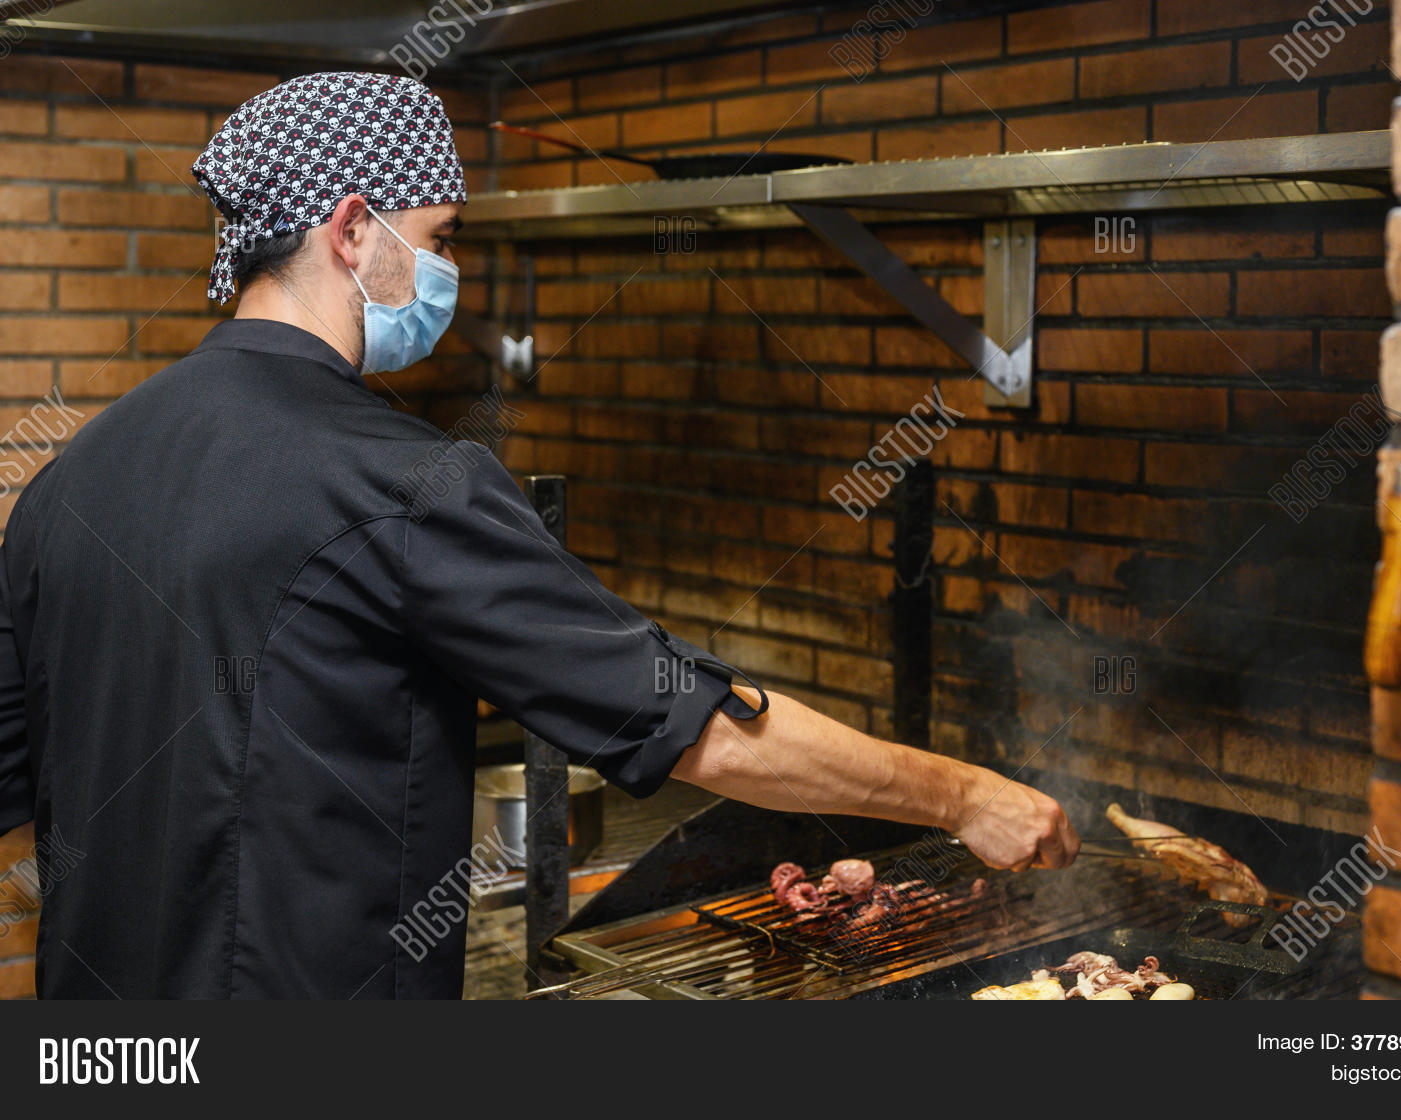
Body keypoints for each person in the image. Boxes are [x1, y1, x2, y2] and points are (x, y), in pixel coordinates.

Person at [0, 72, 1077, 999]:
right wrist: (965, 794)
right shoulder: (400, 477)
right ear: (351, 229)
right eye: (439, 241)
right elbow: (683, 719)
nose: (446, 276)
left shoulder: (74, 476)